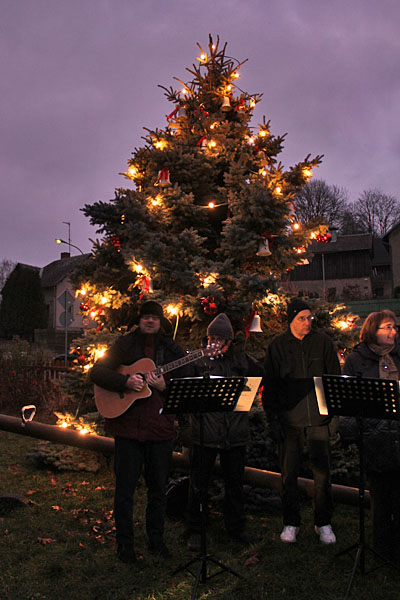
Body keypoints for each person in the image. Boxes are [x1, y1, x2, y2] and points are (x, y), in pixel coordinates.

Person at [90, 300, 186, 563]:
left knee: (158, 490)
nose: (150, 321)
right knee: (124, 491)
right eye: (146, 317)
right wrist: (125, 381)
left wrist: (166, 385)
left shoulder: (170, 348)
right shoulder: (125, 344)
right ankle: (125, 546)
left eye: (155, 317)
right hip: (128, 429)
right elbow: (97, 372)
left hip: (160, 430)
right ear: (140, 320)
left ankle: (156, 541)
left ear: (161, 322)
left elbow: (187, 375)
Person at [262, 298, 341, 544]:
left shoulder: (323, 343)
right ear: (291, 321)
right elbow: (270, 387)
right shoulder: (277, 347)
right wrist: (274, 421)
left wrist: (332, 419)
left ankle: (323, 522)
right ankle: (291, 522)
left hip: (318, 420)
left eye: (309, 318)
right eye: (301, 318)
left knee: (322, 475)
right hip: (290, 422)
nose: (307, 323)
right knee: (289, 475)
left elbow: (334, 380)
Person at [186, 313, 264, 551]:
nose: (216, 343)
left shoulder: (241, 361)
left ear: (230, 342)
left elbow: (261, 376)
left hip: (235, 434)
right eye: (212, 338)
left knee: (235, 484)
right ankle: (196, 530)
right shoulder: (198, 361)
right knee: (199, 484)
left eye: (221, 339)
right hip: (205, 434)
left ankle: (236, 527)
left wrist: (240, 356)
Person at [339, 309, 400, 563]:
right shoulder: (357, 359)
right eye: (387, 327)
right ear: (372, 330)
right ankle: (382, 551)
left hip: (398, 434)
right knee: (381, 497)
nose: (393, 332)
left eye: (395, 327)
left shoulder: (398, 355)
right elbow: (349, 402)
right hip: (375, 438)